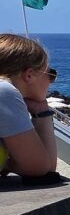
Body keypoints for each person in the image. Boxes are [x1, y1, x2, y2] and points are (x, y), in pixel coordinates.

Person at [0, 34, 58, 180]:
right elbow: (39, 168)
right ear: (29, 75)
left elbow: (47, 170)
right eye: (51, 74)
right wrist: (42, 112)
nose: (51, 82)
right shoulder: (4, 91)